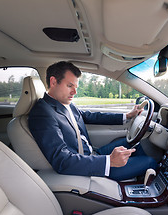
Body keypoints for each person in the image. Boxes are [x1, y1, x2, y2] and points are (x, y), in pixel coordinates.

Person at [28, 61, 157, 181]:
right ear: (53, 82)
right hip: (88, 165)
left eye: (76, 86)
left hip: (93, 153)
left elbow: (90, 116)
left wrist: (127, 116)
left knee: (136, 142)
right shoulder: (43, 113)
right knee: (150, 161)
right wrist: (109, 161)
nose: (75, 92)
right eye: (70, 86)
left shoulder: (63, 103)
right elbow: (62, 161)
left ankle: (137, 178)